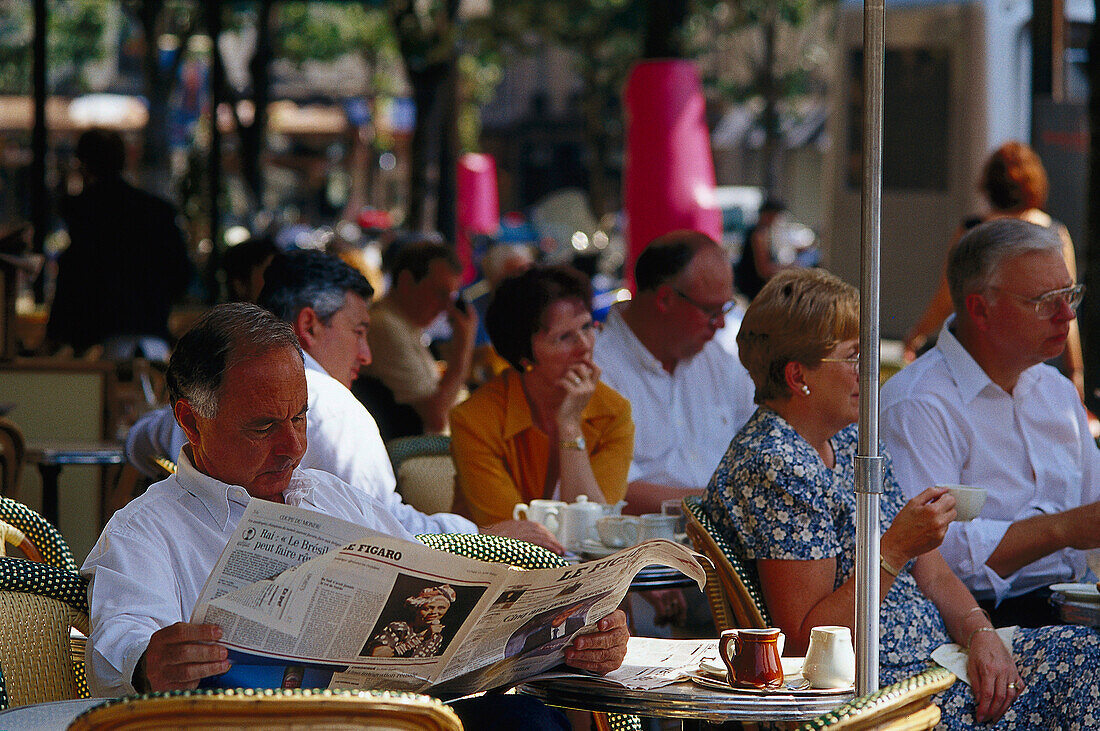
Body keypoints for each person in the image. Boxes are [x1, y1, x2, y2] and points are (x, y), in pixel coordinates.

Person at [81, 303, 629, 729]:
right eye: (262, 427)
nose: (291, 446)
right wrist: (151, 662)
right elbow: (120, 641)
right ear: (190, 422)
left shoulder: (324, 494)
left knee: (526, 720)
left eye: (300, 419)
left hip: (388, 717)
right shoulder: (146, 530)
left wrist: (574, 628)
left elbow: (420, 540)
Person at [704, 268, 1100, 728]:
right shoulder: (774, 464)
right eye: (853, 357)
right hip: (885, 694)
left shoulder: (851, 439)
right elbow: (804, 642)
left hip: (936, 662)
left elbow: (929, 567)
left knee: (1091, 655)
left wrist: (981, 634)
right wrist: (894, 547)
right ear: (798, 376)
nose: (868, 372)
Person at [126, 251, 557, 547]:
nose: (294, 448)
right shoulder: (335, 408)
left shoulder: (212, 401)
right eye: (358, 332)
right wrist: (484, 539)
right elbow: (393, 539)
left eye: (298, 420)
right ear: (309, 326)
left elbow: (140, 441)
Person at [881, 218, 1100, 627]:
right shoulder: (919, 403)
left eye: (1070, 294)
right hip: (974, 626)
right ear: (980, 309)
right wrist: (1062, 529)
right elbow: (930, 559)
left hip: (1070, 607)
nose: (1067, 314)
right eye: (1045, 300)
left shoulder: (1054, 389)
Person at [450, 265, 633, 526]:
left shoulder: (612, 411)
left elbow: (596, 527)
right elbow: (513, 534)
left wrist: (570, 428)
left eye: (586, 327)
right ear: (524, 354)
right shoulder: (475, 419)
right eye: (564, 337)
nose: (585, 345)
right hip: (489, 563)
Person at [902, 142, 1084, 397]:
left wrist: (915, 335)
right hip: (1047, 360)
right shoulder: (1055, 232)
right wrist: (1076, 372)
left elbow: (947, 298)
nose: (1065, 312)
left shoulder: (972, 231)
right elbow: (1068, 312)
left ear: (989, 183)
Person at [593, 230, 756, 515]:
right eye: (710, 311)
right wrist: (715, 502)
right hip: (641, 550)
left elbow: (757, 440)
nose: (720, 324)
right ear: (665, 299)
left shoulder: (719, 358)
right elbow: (607, 487)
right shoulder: (598, 367)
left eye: (726, 308)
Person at [47, 128, 191, 360]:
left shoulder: (85, 212)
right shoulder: (157, 211)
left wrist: (56, 334)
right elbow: (182, 276)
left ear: (83, 164)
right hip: (154, 336)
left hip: (99, 343)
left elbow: (74, 276)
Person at [358, 240, 476, 437]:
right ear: (406, 282)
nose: (446, 307)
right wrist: (464, 346)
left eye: (451, 297)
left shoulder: (405, 326)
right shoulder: (387, 327)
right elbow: (436, 418)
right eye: (440, 293)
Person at [364, 585, 455, 658]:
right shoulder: (399, 628)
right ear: (417, 609)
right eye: (427, 608)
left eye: (441, 608)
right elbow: (376, 654)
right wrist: (421, 638)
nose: (434, 612)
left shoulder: (437, 638)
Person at [733, 198, 785, 301]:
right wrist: (788, 269)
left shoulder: (762, 232)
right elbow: (763, 269)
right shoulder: (758, 234)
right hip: (754, 287)